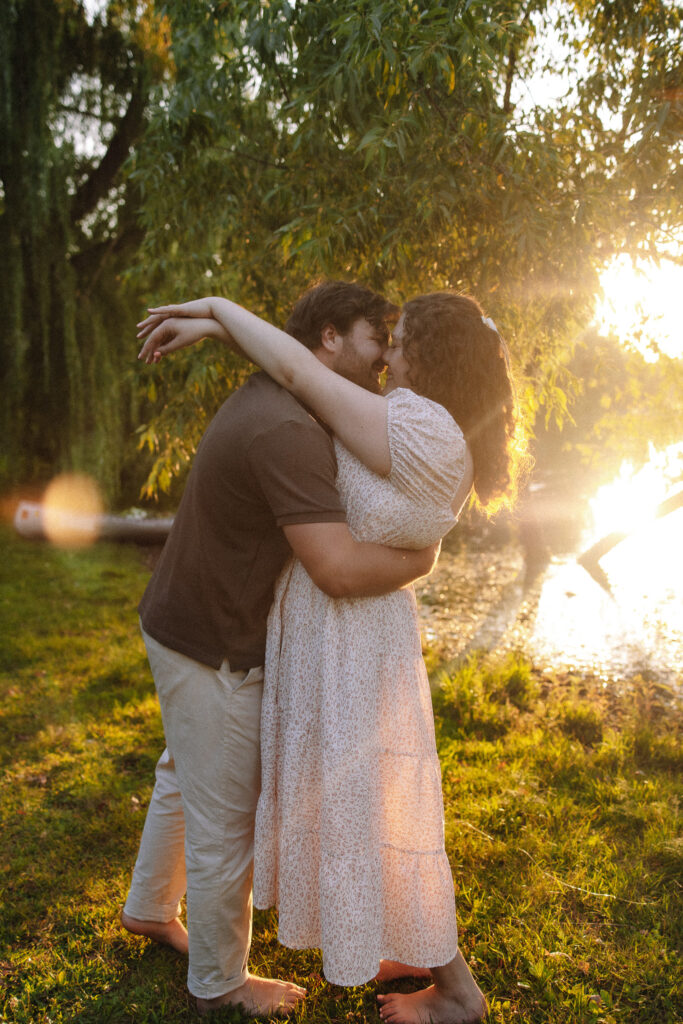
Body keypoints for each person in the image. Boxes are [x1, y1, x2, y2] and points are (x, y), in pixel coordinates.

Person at [138, 286, 521, 1024]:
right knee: (326, 798)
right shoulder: (415, 422)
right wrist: (217, 315)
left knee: (370, 806)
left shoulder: (421, 427)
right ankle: (202, 943)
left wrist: (219, 316)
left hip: (352, 641)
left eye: (400, 341)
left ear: (434, 358)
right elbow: (298, 372)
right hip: (335, 636)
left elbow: (298, 373)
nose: (388, 355)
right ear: (332, 336)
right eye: (382, 338)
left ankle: (457, 993)